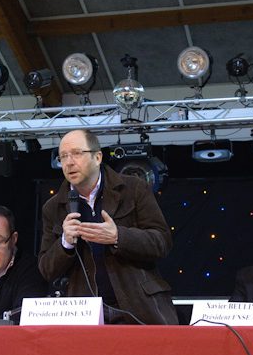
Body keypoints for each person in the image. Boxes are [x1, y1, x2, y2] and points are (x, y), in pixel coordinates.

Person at [39, 129, 177, 325]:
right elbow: (46, 269)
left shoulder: (134, 189)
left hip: (139, 307)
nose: (69, 162)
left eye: (77, 153)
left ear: (97, 157)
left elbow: (162, 242)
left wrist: (118, 237)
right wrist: (65, 244)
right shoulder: (53, 207)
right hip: (84, 315)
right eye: (63, 156)